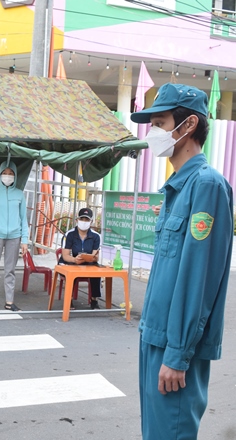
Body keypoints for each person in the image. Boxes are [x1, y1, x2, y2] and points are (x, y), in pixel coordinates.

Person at [130, 83, 233, 439]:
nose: (153, 133)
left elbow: (198, 280)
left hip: (174, 346)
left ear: (188, 125)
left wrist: (177, 354)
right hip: (154, 337)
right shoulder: (179, 188)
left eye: (159, 123)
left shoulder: (207, 187)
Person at [0, 161, 29, 312]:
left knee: (10, 271)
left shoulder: (19, 194)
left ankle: (10, 302)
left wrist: (25, 240)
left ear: (15, 176)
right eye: (5, 173)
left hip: (14, 237)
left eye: (11, 174)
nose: (7, 176)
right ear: (0, 174)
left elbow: (24, 218)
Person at [58, 207, 102, 309]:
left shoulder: (96, 236)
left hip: (87, 263)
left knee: (96, 271)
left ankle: (94, 299)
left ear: (91, 221)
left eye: (87, 220)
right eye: (82, 219)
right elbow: (65, 255)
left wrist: (92, 258)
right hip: (70, 261)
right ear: (77, 220)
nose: (84, 222)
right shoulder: (69, 234)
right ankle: (69, 299)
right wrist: (74, 259)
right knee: (71, 271)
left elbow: (95, 256)